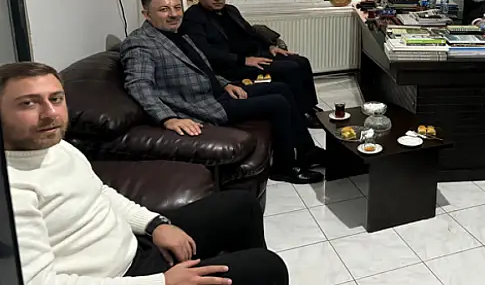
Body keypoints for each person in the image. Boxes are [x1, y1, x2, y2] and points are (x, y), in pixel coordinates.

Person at [1, 61, 289, 285]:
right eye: (29, 103)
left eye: (56, 99)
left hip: (133, 246)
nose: (50, 113)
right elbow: (39, 282)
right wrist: (161, 281)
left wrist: (155, 225)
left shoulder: (57, 147)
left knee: (240, 205)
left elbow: (100, 193)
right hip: (119, 278)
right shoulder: (12, 191)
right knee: (266, 267)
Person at [121, 0, 323, 184]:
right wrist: (168, 118)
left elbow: (203, 68)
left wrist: (225, 84)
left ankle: (307, 150)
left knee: (282, 88)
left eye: (177, 7)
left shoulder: (178, 33)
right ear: (146, 14)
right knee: (277, 103)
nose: (174, 14)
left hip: (216, 92)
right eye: (164, 9)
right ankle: (285, 168)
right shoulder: (140, 43)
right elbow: (138, 85)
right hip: (199, 105)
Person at [181, 0, 321, 127]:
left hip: (255, 54)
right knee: (290, 68)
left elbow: (251, 31)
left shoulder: (230, 10)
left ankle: (309, 107)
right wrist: (244, 60)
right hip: (233, 64)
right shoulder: (193, 17)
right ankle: (301, 114)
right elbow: (205, 52)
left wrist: (270, 46)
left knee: (302, 61)